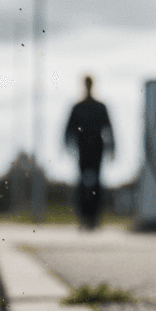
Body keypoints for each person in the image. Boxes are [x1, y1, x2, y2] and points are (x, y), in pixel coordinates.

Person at [64, 75, 115, 229]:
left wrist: (112, 148)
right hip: (82, 149)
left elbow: (109, 129)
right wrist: (68, 146)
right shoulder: (77, 107)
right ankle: (83, 216)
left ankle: (94, 217)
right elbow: (68, 130)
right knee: (82, 184)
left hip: (97, 149)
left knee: (97, 184)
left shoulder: (100, 107)